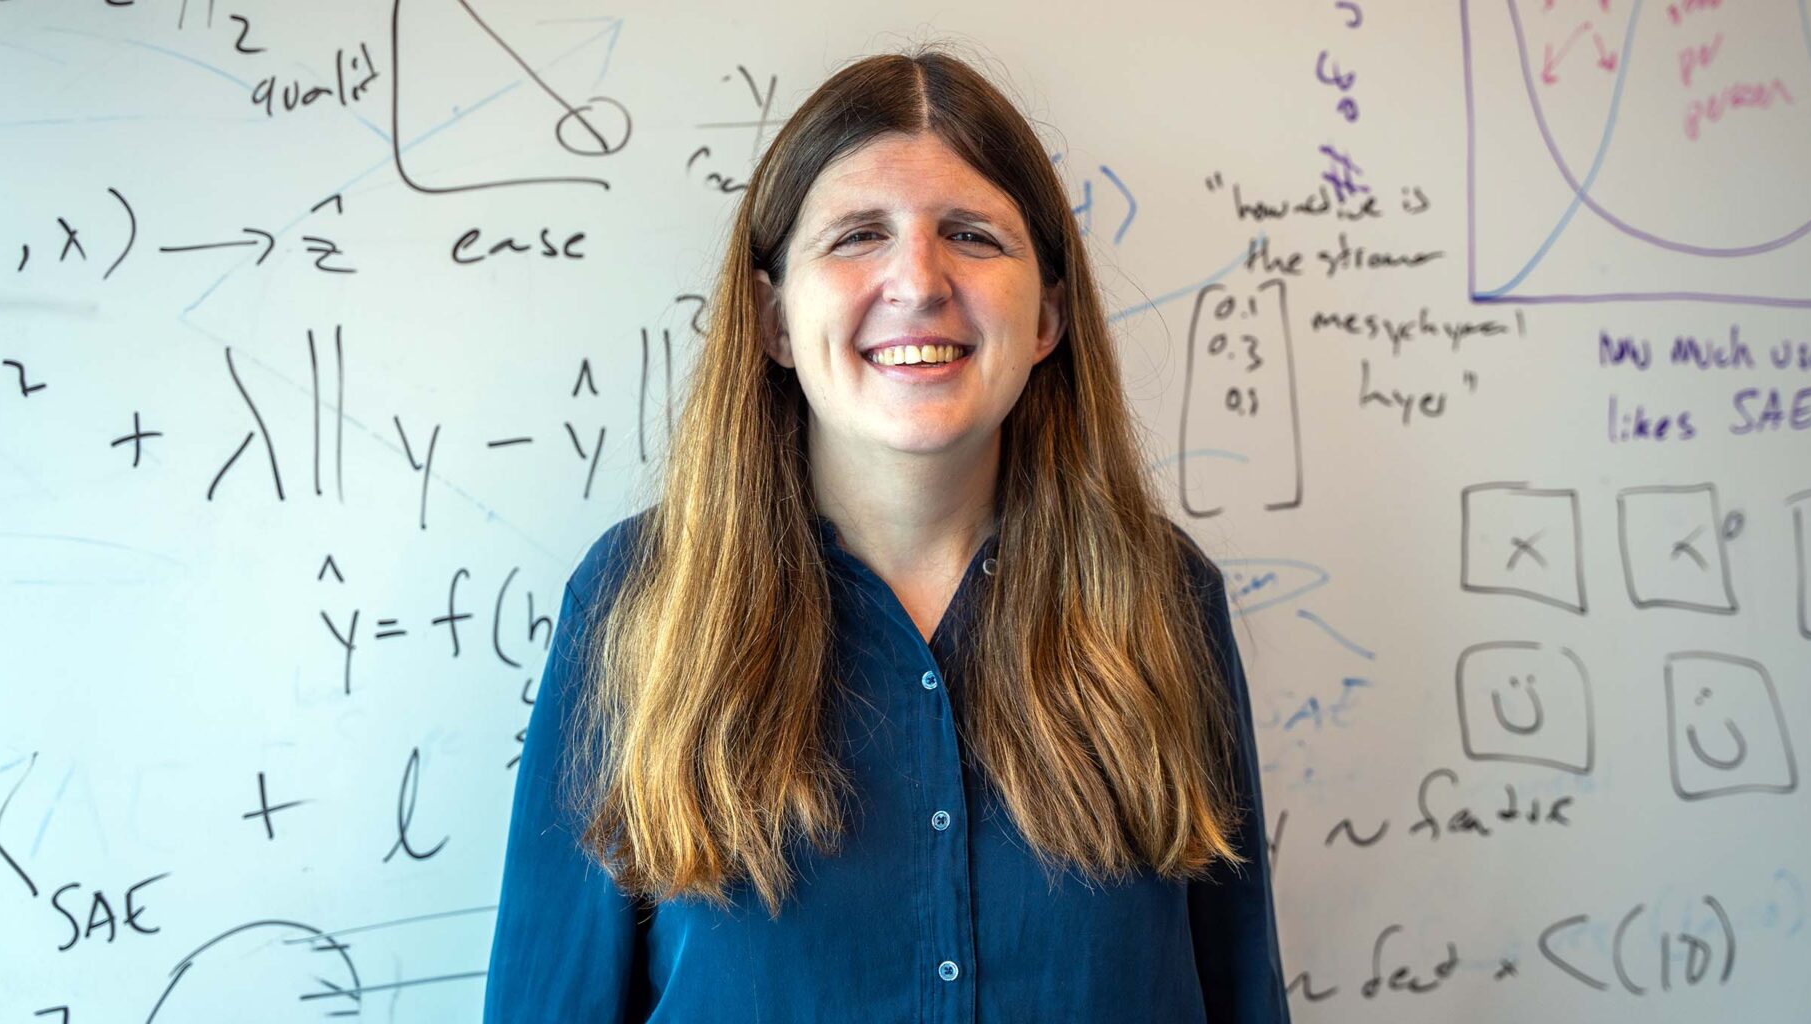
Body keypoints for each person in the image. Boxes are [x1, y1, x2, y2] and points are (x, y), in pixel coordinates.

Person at [484, 45, 1290, 1023]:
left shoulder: (1164, 594)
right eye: (859, 234)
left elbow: (1242, 991)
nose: (917, 279)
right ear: (774, 321)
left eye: (974, 236)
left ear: (1048, 317)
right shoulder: (638, 597)